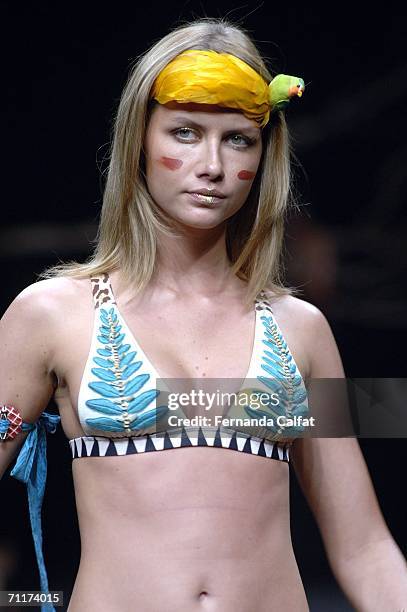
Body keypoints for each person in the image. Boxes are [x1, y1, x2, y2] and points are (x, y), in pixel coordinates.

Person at [1, 16, 407, 612]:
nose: (212, 165)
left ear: (265, 154)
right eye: (186, 132)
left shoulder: (302, 328)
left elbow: (365, 548)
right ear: (139, 139)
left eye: (238, 138)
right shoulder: (50, 316)